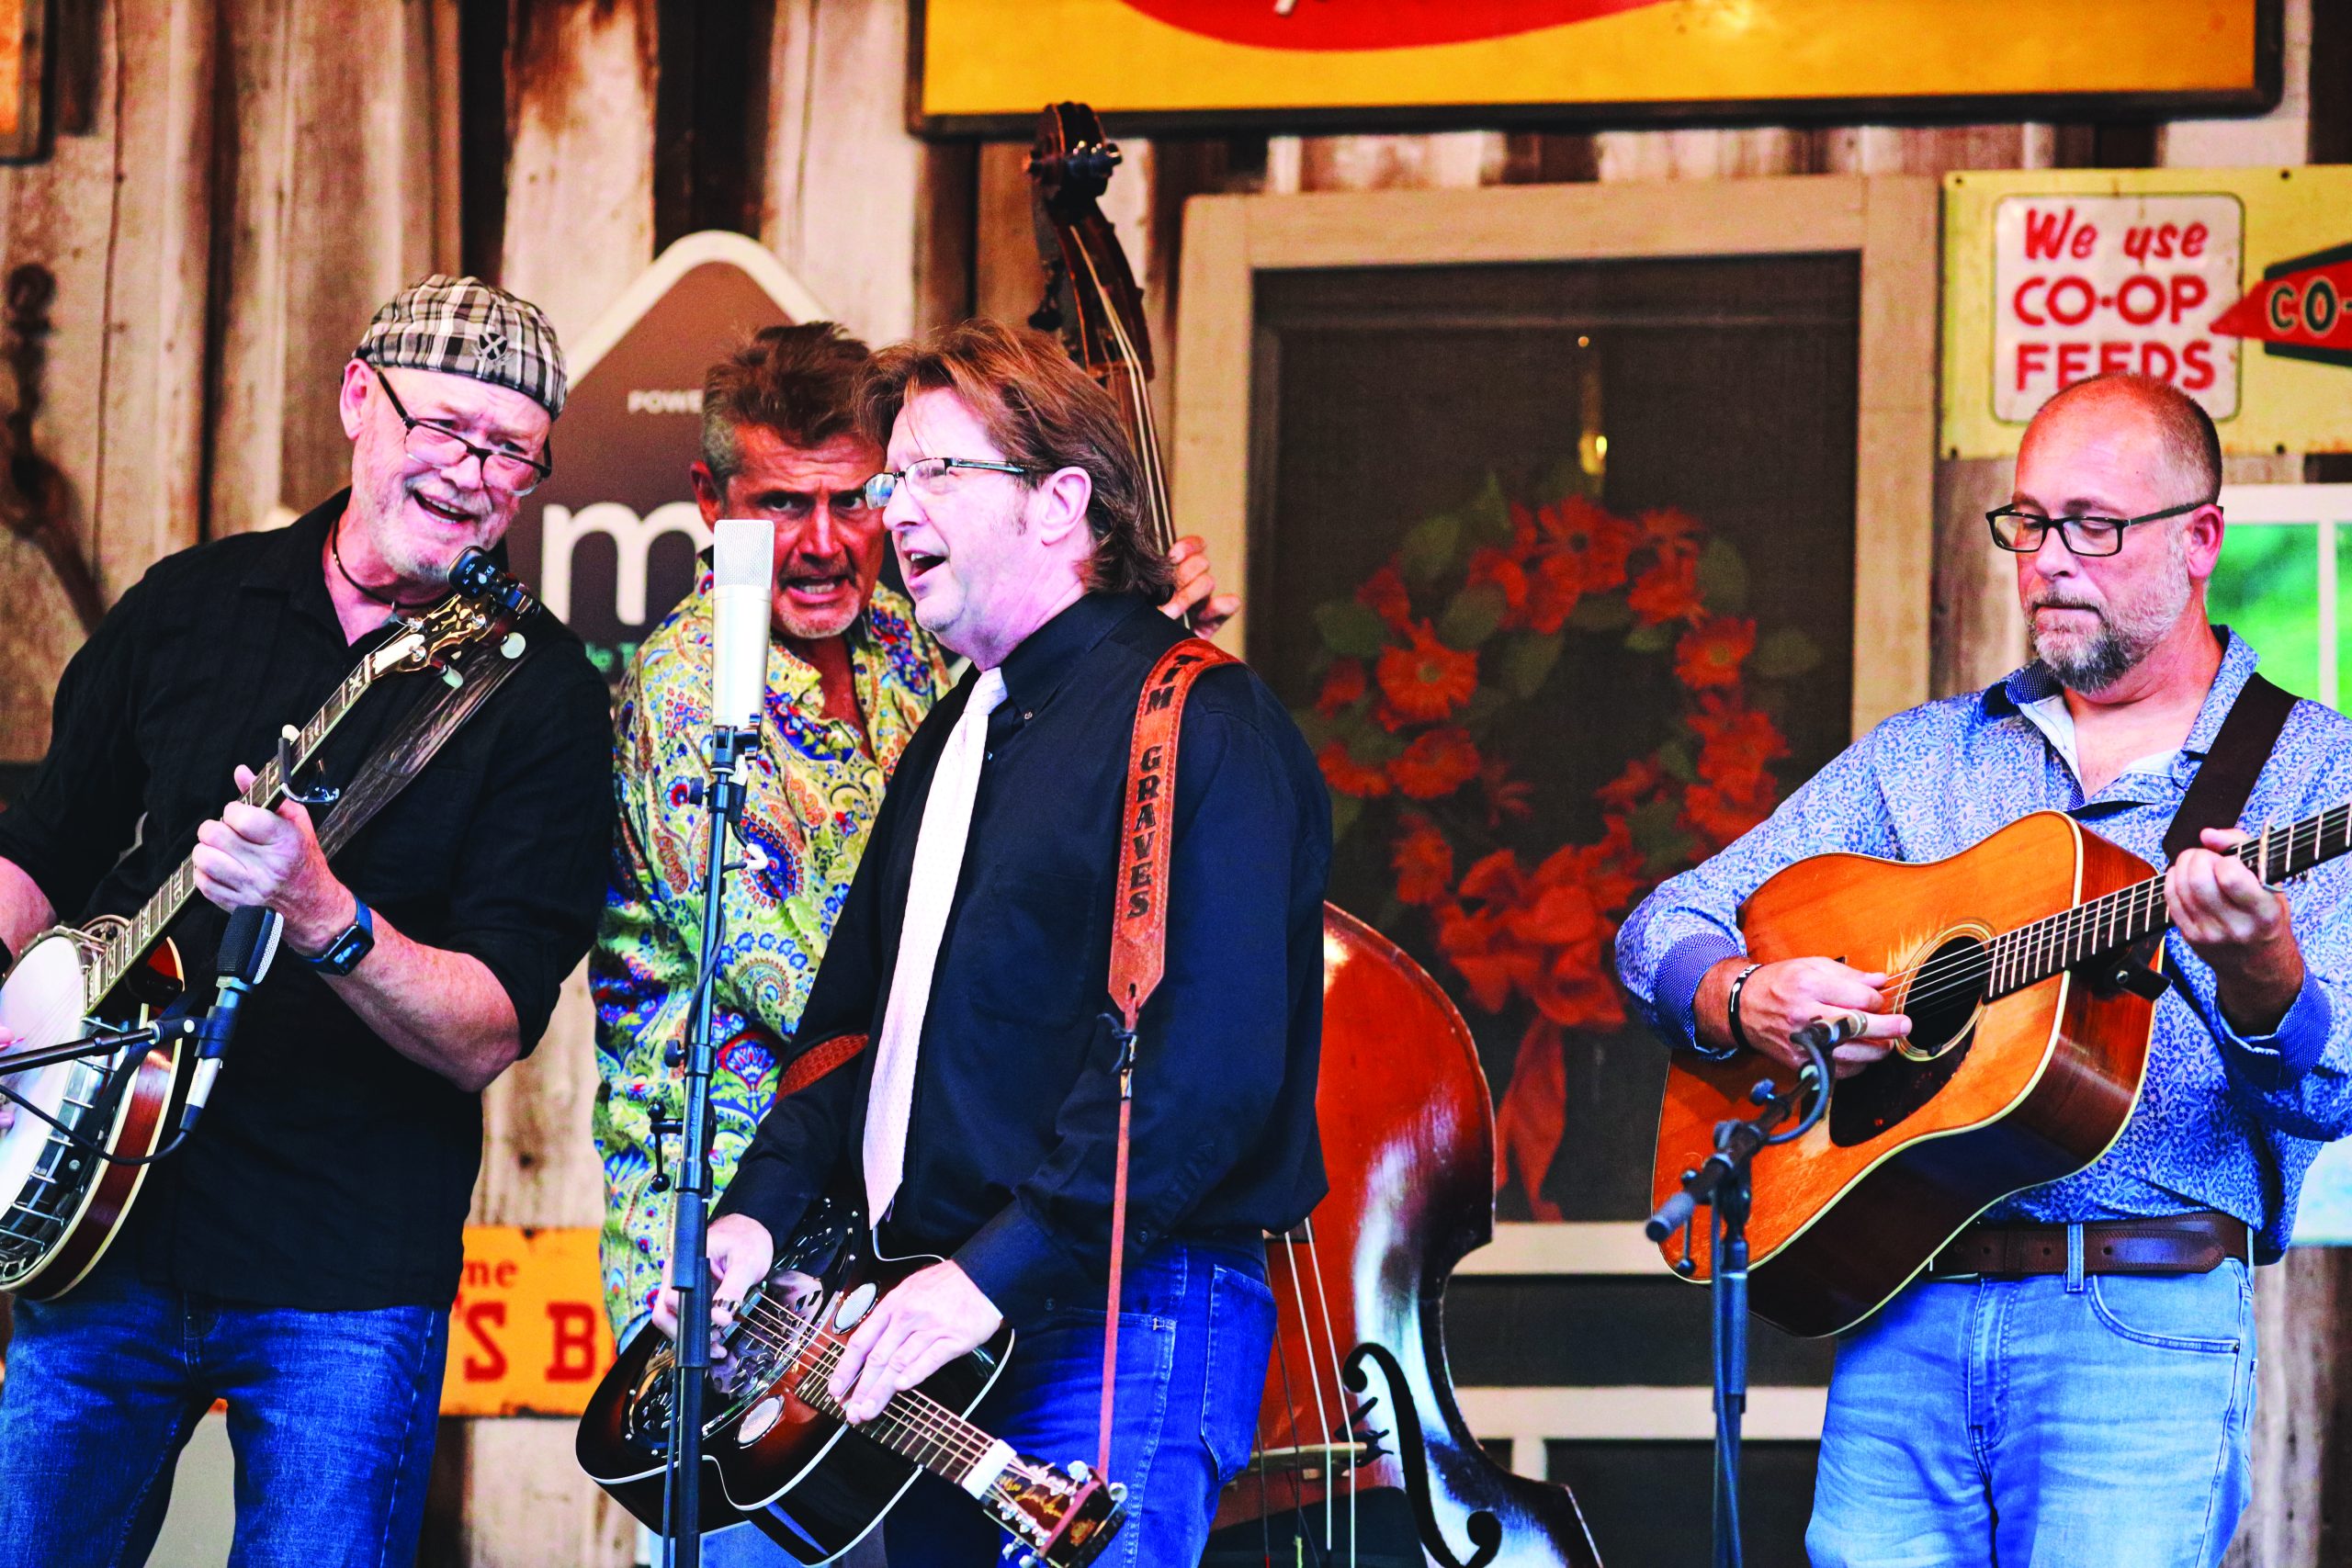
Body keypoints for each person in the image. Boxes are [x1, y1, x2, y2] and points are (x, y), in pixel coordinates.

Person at [1617, 372, 2351, 1567]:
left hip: (2139, 1325)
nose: (2051, 559)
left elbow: (2332, 1092)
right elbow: (1663, 922)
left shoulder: (2308, 772)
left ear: (2202, 538)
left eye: (2095, 525)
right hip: (1902, 1302)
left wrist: (2265, 974)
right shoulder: (1927, 757)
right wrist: (1739, 994)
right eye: (2029, 521)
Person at [645, 317, 1329, 1566]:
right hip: (948, 1327)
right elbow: (854, 1033)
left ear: (1062, 504)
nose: (894, 511)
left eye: (934, 476)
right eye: (892, 480)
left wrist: (986, 1275)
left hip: (1122, 1310)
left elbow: (1206, 1075)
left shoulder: (1201, 724)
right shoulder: (958, 731)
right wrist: (751, 1213)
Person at [0, 276, 613, 1568]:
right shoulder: (191, 606)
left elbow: (489, 1030)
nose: (469, 473)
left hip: (343, 1272)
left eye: (510, 452)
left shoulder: (542, 697)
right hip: (100, 1237)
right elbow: (40, 858)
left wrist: (321, 910)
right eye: (445, 428)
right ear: (357, 401)